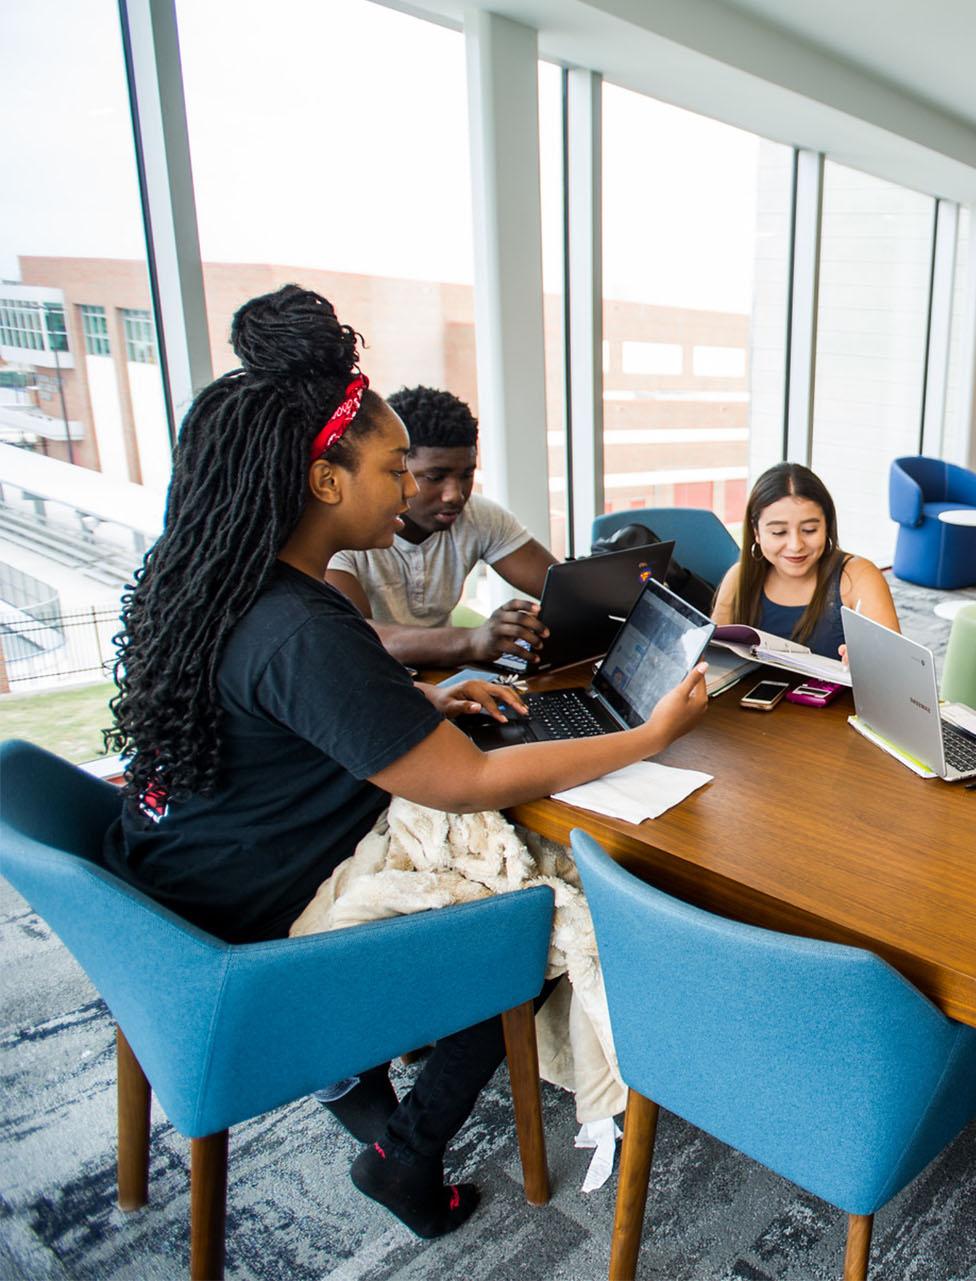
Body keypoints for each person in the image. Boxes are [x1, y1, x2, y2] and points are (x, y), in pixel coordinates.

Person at [99, 285, 709, 1240]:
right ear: (326, 479)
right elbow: (461, 782)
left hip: (168, 884)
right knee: (528, 915)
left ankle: (360, 1078)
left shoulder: (231, 579)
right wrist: (648, 737)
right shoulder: (305, 623)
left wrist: (419, 702)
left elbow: (294, 715)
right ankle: (403, 1150)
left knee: (487, 856)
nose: (411, 490)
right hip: (248, 931)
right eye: (394, 468)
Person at [326, 385, 558, 667]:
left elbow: (561, 592)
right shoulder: (346, 530)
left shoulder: (479, 516)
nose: (456, 495)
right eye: (436, 477)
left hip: (444, 677)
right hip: (376, 679)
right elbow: (356, 638)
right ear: (398, 468)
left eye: (467, 475)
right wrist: (472, 640)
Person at [711, 462, 899, 659]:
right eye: (778, 532)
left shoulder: (857, 576)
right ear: (756, 532)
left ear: (827, 525)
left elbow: (895, 666)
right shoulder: (739, 579)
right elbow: (715, 663)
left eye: (809, 530)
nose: (795, 545)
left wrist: (870, 662)